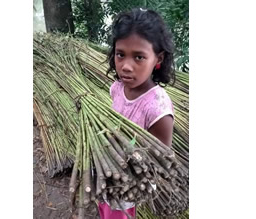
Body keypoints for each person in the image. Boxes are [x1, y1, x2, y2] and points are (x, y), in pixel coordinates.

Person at [98, 7, 176, 219]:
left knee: (119, 213)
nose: (126, 66)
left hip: (130, 182)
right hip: (108, 167)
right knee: (104, 207)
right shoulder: (116, 88)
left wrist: (125, 165)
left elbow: (159, 159)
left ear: (157, 59)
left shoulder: (158, 108)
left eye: (139, 57)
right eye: (120, 54)